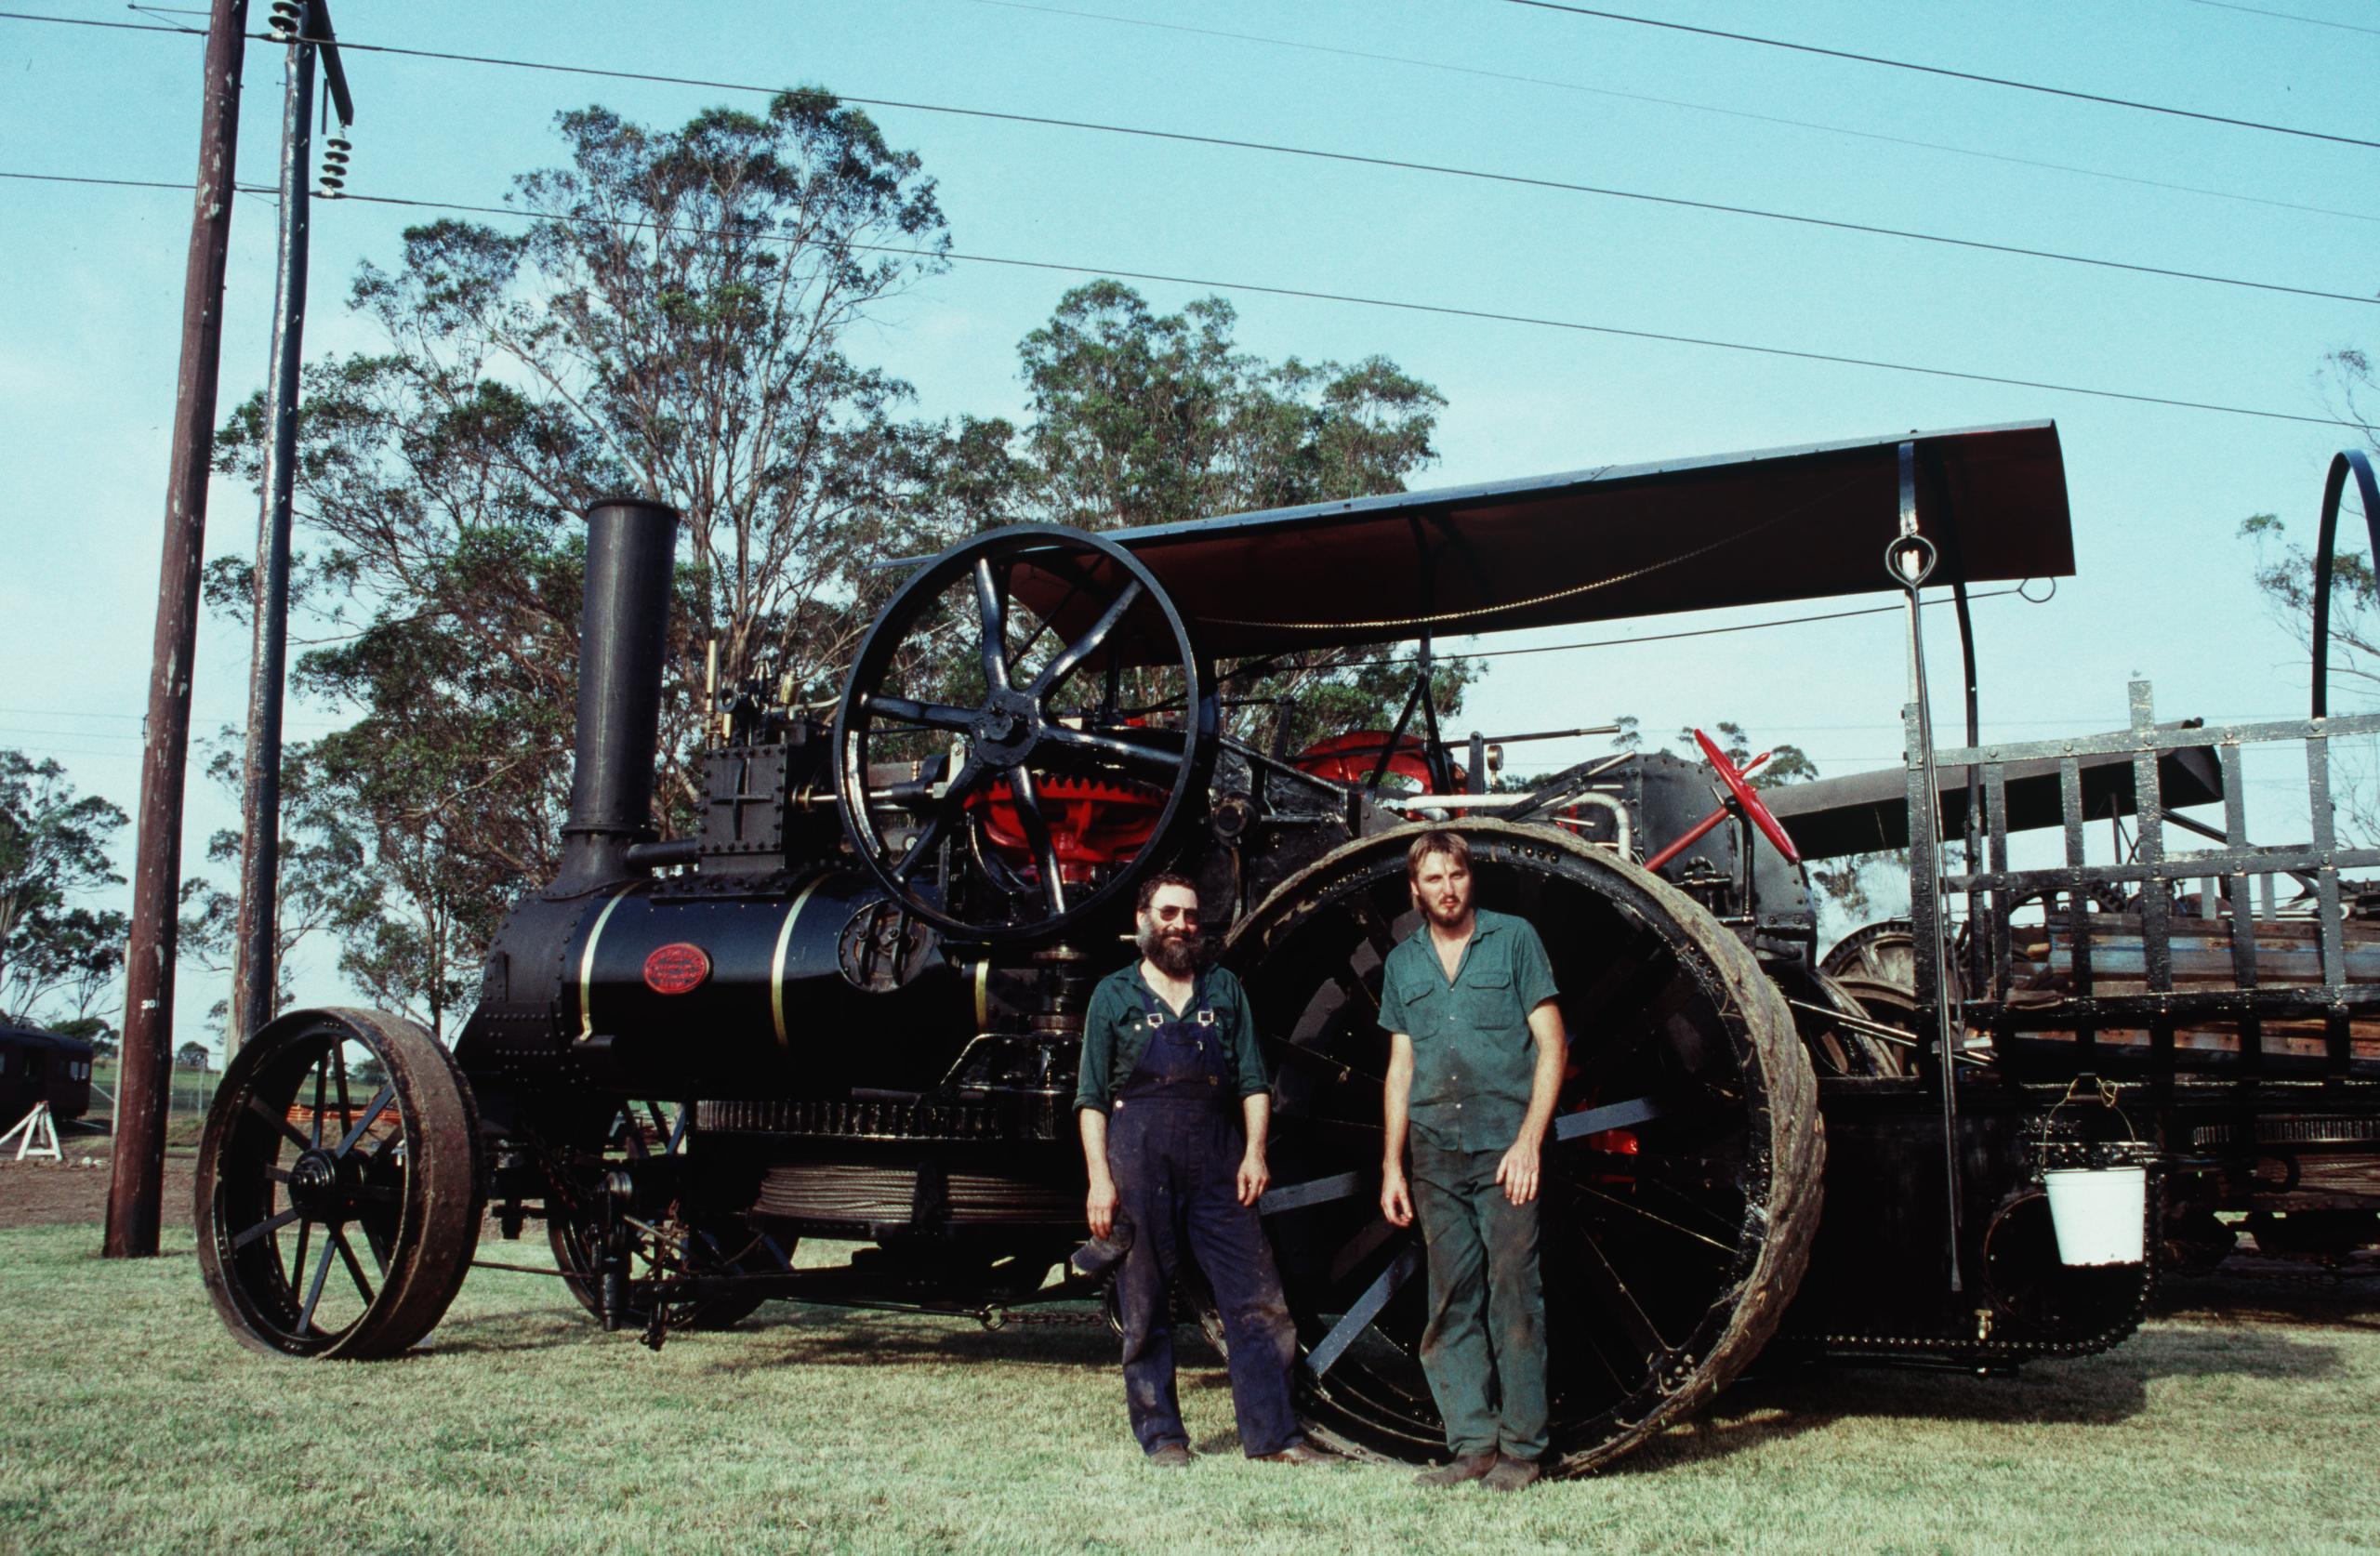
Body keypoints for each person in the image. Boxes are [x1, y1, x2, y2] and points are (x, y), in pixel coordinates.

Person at [1075, 873, 1327, 1469]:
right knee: (1144, 1301)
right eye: (1169, 914)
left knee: (1258, 1299)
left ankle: (1274, 1436)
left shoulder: (1224, 989)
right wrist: (1100, 1180)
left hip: (1219, 1155)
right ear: (1144, 919)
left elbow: (1253, 1083)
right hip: (1137, 1155)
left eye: (1190, 916)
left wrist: (1255, 1152)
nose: (1181, 926)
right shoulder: (1113, 994)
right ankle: (1162, 1437)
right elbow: (1089, 1098)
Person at [1378, 829, 1566, 1493]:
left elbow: (1551, 1045)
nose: (1447, 888)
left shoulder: (1514, 941)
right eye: (1433, 879)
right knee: (1450, 1299)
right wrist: (1391, 1166)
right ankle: (1471, 1444)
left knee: (1514, 1292)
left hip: (1503, 1149)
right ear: (1416, 889)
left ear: (1468, 879)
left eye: (1455, 874)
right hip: (1433, 1153)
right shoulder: (1404, 965)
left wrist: (1528, 1142)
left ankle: (1521, 1448)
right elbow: (1400, 1069)